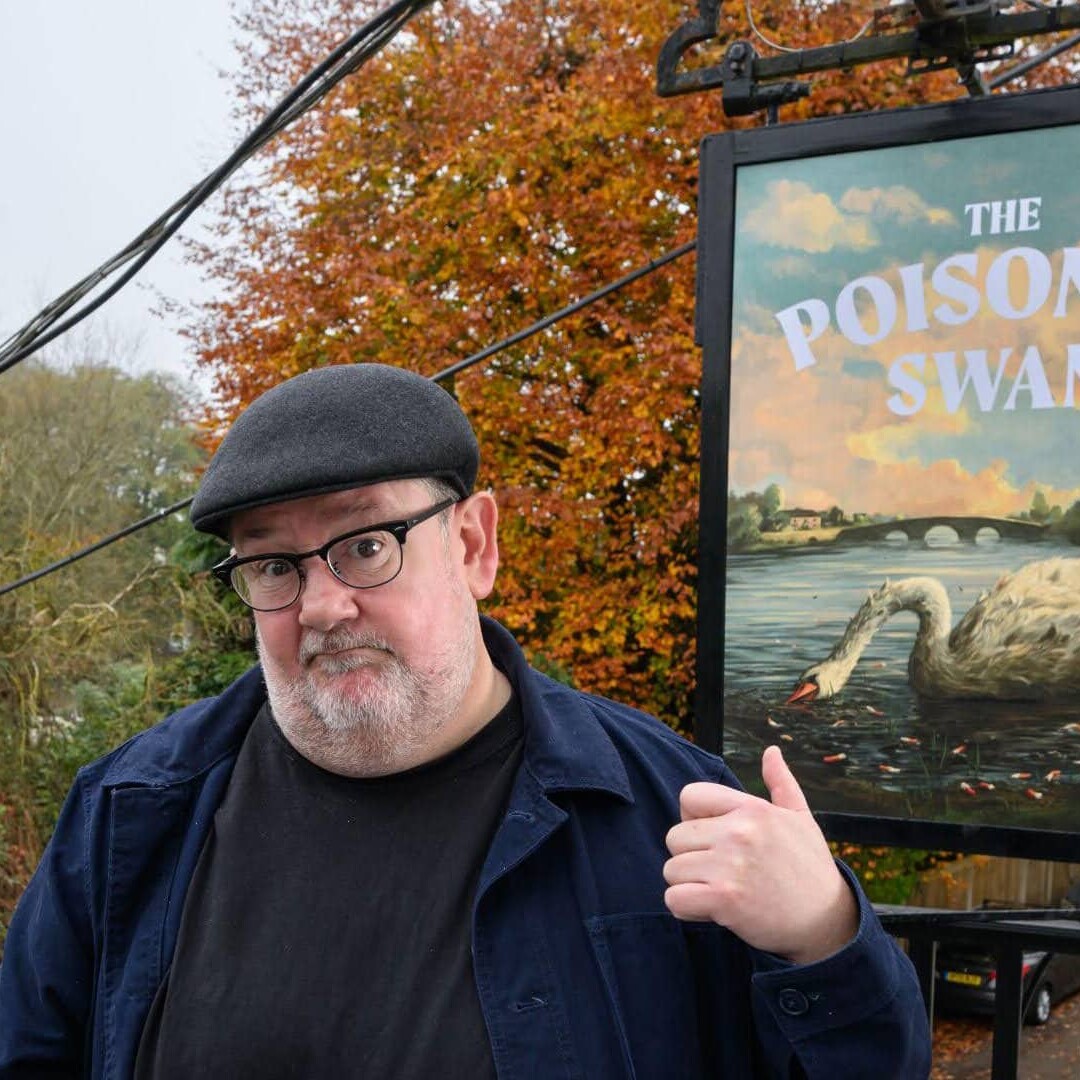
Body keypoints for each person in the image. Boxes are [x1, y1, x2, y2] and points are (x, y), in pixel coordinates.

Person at [0, 364, 931, 1078]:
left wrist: (823, 935)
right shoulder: (130, 816)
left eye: (366, 545)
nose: (321, 605)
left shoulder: (670, 816)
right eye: (274, 567)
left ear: (474, 544)